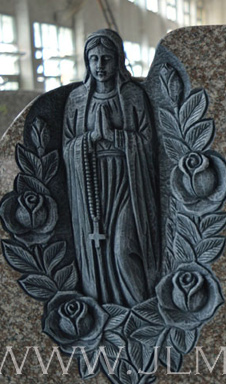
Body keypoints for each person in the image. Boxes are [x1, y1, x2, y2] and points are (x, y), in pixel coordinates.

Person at [63, 29, 162, 306]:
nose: (100, 65)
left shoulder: (133, 96)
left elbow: (148, 143)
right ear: (86, 62)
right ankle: (108, 308)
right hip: (91, 185)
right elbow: (67, 148)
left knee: (123, 247)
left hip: (128, 181)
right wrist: (92, 139)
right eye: (93, 59)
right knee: (98, 252)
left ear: (119, 60)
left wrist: (117, 137)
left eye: (106, 58)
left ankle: (141, 307)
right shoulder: (77, 101)